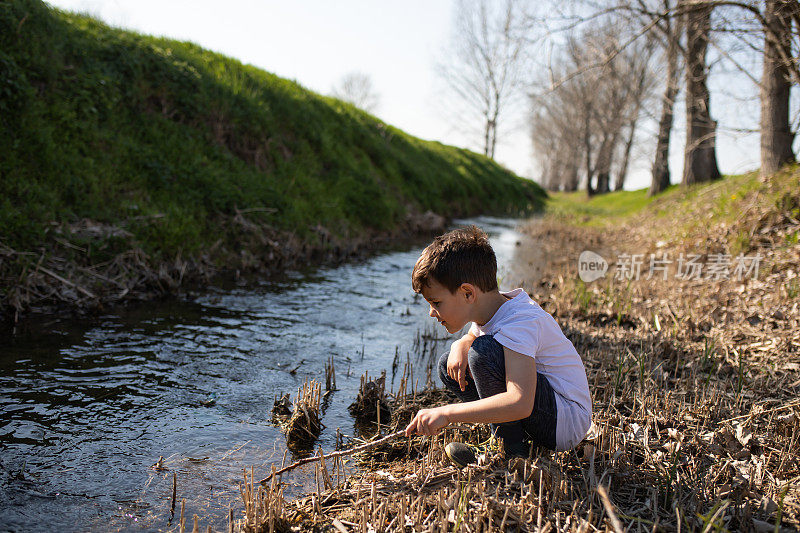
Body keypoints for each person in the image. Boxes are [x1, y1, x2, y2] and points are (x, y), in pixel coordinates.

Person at [404, 225, 591, 466]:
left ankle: (511, 453)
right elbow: (479, 333)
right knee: (449, 366)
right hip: (546, 409)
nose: (432, 312)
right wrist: (460, 343)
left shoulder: (519, 322)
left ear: (468, 294)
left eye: (436, 302)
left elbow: (520, 402)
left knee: (483, 354)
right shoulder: (492, 305)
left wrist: (447, 414)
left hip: (564, 420)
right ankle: (512, 438)